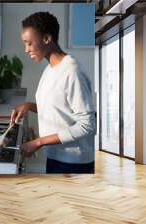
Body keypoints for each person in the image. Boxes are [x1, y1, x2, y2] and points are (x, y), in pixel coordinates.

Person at [10, 12, 95, 173]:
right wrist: (29, 106)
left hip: (73, 163)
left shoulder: (72, 71)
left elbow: (87, 125)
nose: (26, 49)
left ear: (47, 39)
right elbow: (59, 108)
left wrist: (39, 142)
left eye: (29, 43)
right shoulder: (50, 68)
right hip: (56, 156)